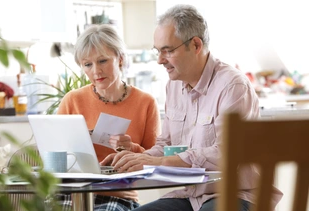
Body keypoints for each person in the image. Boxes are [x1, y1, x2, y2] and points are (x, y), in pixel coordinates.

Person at [101, 4, 283, 211]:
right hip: (189, 194)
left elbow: (228, 153)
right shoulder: (174, 86)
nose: (160, 60)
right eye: (157, 52)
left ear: (195, 45)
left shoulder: (233, 86)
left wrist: (158, 162)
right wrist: (137, 159)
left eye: (167, 51)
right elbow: (166, 144)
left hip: (236, 194)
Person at [57, 24, 161, 210]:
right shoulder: (73, 100)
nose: (96, 71)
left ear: (120, 59)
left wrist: (131, 148)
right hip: (73, 192)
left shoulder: (145, 103)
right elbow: (55, 154)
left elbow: (155, 163)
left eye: (103, 61)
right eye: (88, 64)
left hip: (118, 194)